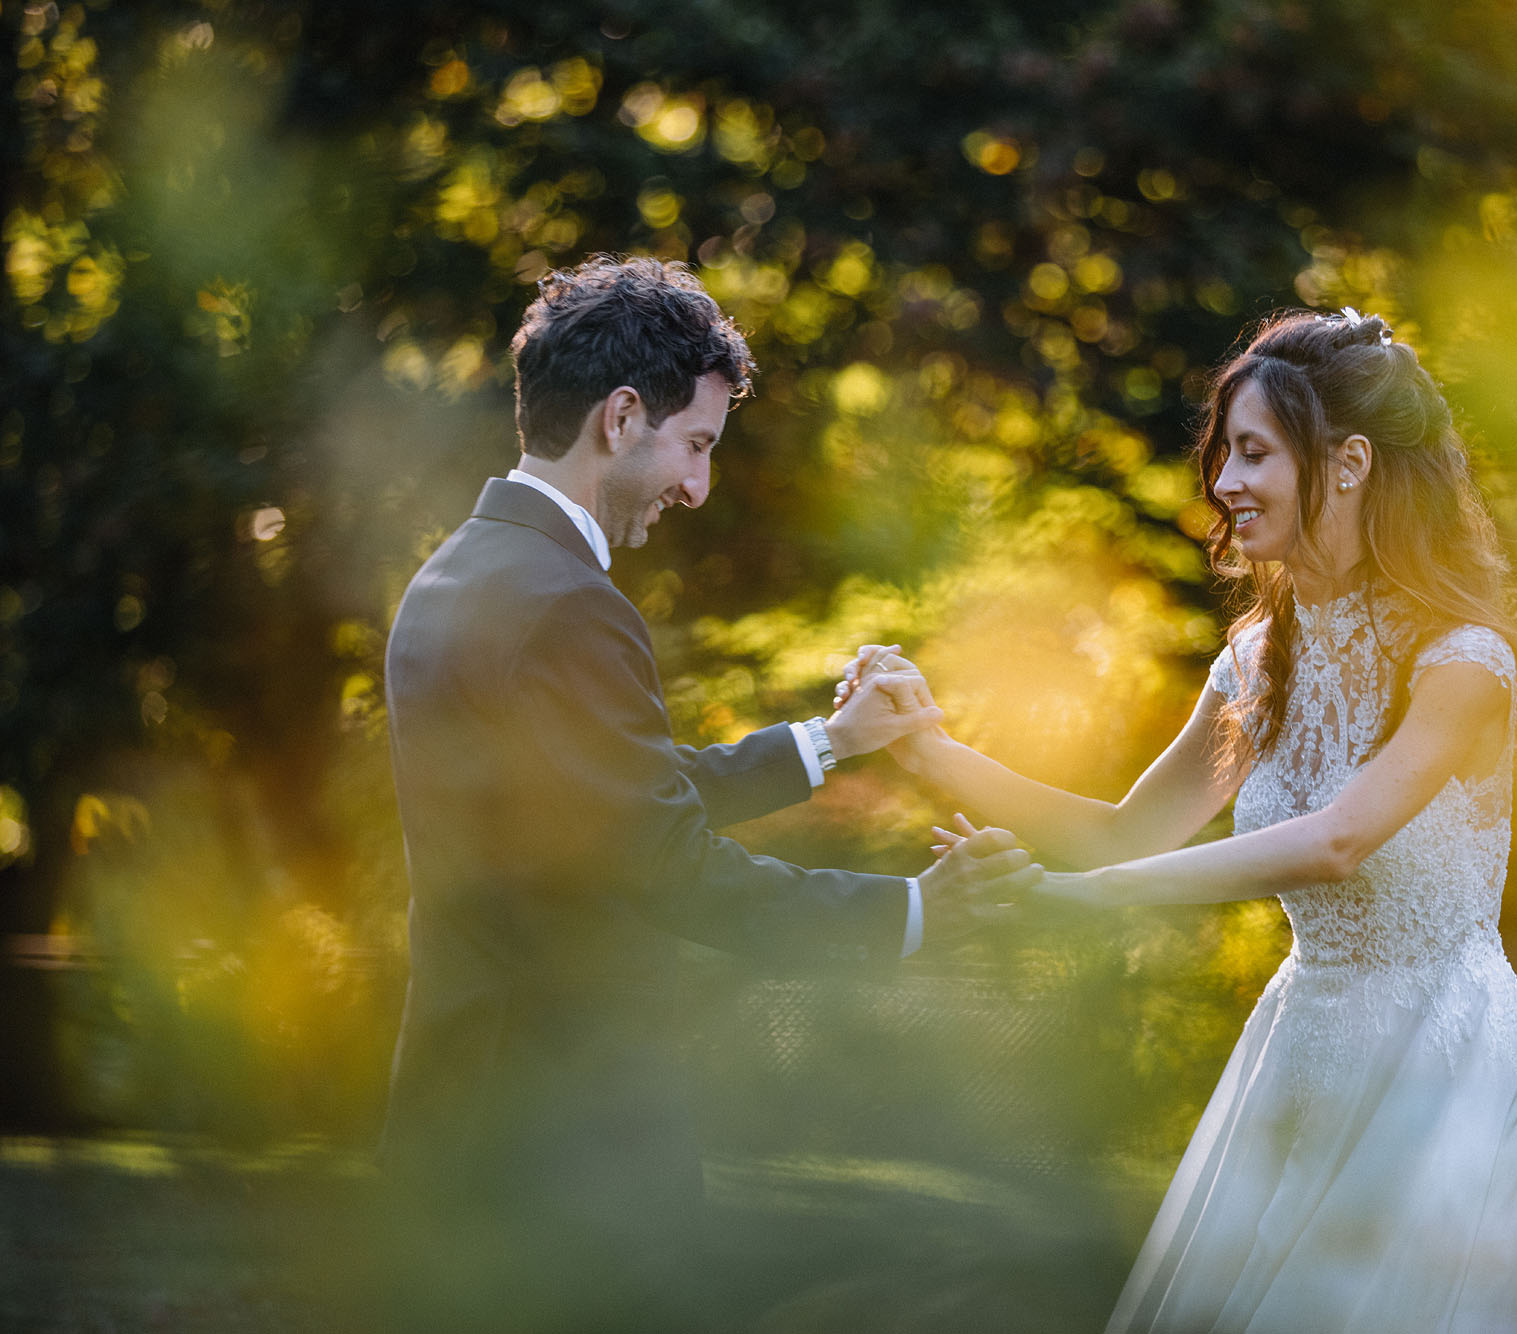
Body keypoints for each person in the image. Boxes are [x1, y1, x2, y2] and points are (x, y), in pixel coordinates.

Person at [841, 309, 1517, 1331]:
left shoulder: (1464, 661)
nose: (1222, 483)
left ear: (1346, 463)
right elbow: (1123, 830)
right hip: (1298, 1053)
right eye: (1224, 454)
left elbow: (1336, 841)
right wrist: (928, 747)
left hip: (1445, 1063)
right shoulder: (1257, 660)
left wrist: (1076, 900)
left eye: (1252, 454)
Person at [375, 254, 1040, 1331]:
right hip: (567, 1147)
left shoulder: (461, 570)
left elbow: (612, 805)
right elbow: (665, 864)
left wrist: (830, 739)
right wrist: (915, 911)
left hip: (463, 1107)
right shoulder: (567, 604)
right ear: (621, 415)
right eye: (696, 445)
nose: (697, 485)